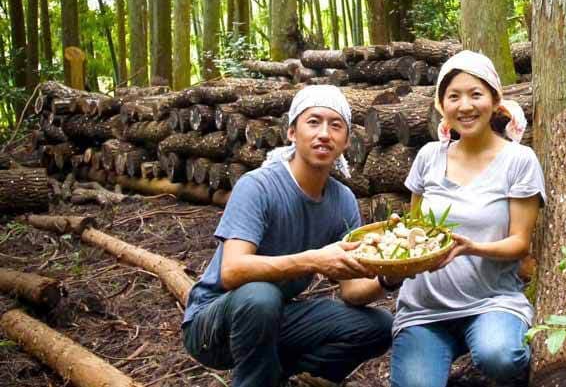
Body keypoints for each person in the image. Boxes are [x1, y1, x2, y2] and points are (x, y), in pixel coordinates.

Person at [182, 85, 394, 387]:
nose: (324, 133)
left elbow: (352, 291)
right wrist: (314, 261)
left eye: (336, 126)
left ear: (346, 141)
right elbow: (232, 271)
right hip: (213, 323)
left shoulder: (343, 200)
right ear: (292, 132)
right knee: (261, 296)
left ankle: (287, 380)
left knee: (378, 326)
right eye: (313, 122)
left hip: (274, 316)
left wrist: (391, 276)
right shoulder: (257, 186)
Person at [389, 50, 546, 387]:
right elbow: (416, 231)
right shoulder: (429, 157)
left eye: (476, 94)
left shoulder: (519, 160)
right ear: (441, 105)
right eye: (454, 96)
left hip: (491, 301)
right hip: (424, 310)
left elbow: (520, 243)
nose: (465, 106)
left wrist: (472, 247)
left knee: (500, 356)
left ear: (494, 99)